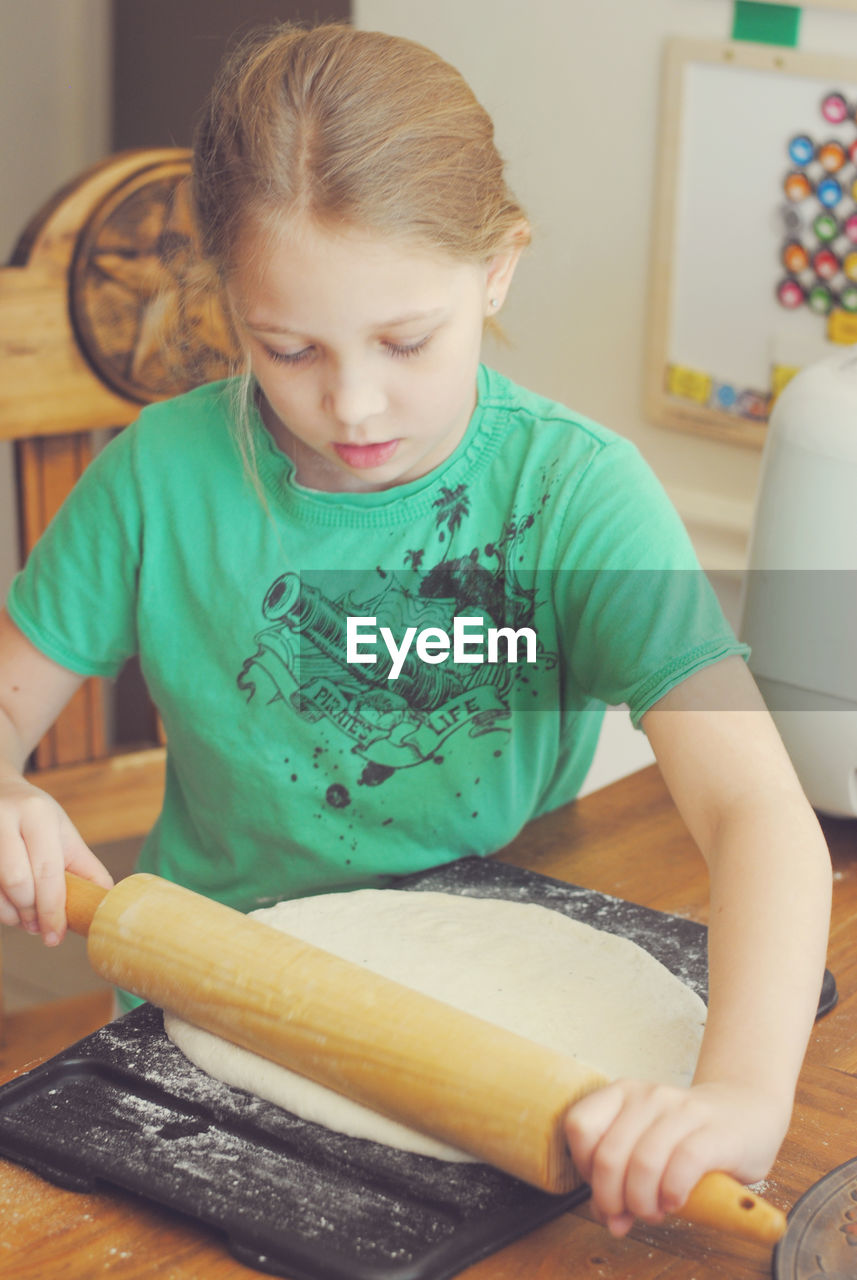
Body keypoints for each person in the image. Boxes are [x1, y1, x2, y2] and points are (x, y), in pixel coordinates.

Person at [0, 22, 831, 1239]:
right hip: (203, 1026)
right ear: (230, 302)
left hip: (506, 1043)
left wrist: (742, 1093)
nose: (353, 403)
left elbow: (755, 810)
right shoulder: (157, 481)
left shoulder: (570, 498)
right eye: (288, 349)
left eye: (405, 340)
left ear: (497, 269)